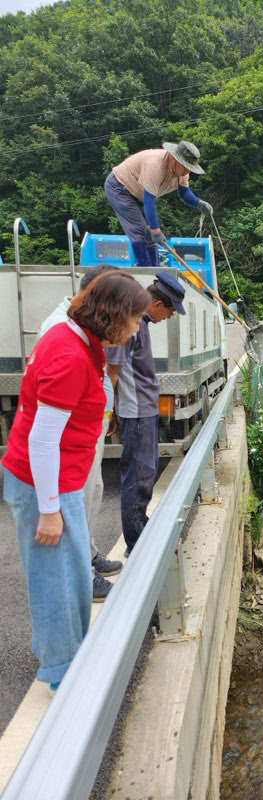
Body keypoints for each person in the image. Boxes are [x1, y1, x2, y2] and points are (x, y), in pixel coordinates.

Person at [2, 272, 151, 695]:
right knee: (59, 583)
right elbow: (43, 438)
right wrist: (49, 511)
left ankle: (64, 656)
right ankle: (64, 679)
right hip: (45, 485)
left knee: (68, 575)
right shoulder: (69, 353)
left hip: (57, 480)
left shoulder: (79, 339)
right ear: (114, 314)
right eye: (136, 319)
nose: (138, 328)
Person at [38, 265, 123, 602]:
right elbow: (44, 430)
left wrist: (107, 410)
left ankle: (87, 556)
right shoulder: (60, 332)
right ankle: (81, 575)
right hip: (74, 438)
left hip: (91, 428)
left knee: (94, 490)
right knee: (78, 497)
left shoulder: (81, 330)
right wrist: (47, 508)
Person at [106, 272, 186, 556]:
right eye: (171, 310)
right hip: (137, 411)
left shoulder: (141, 323)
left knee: (147, 469)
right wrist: (109, 409)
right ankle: (136, 540)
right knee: (138, 476)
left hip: (142, 409)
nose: (170, 317)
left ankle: (140, 525)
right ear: (159, 303)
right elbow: (113, 370)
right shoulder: (131, 323)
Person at [104, 140, 212, 267]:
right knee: (139, 229)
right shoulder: (155, 165)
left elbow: (184, 194)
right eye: (185, 166)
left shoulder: (182, 172)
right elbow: (149, 201)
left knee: (149, 234)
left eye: (190, 168)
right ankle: (145, 268)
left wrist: (199, 203)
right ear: (174, 159)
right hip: (120, 186)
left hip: (139, 195)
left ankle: (154, 268)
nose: (187, 171)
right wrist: (156, 230)